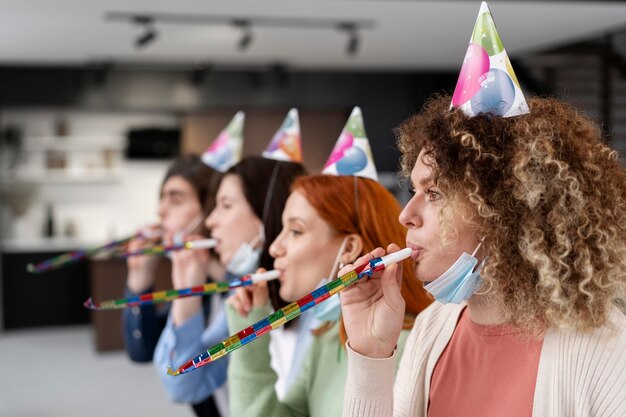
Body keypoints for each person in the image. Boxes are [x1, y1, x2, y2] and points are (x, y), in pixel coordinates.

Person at [340, 95, 626, 417]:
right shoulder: (430, 329)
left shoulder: (605, 350)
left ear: (505, 210)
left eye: (434, 193)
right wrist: (372, 352)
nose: (406, 215)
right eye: (414, 192)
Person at [226, 174, 433, 417]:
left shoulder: (411, 343)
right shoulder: (327, 335)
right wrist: (250, 334)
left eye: (295, 231)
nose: (274, 247)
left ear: (348, 248)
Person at [153, 156, 306, 416]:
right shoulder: (242, 297)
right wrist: (186, 293)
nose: (210, 220)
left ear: (267, 214)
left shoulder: (314, 307)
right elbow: (182, 382)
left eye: (225, 205)